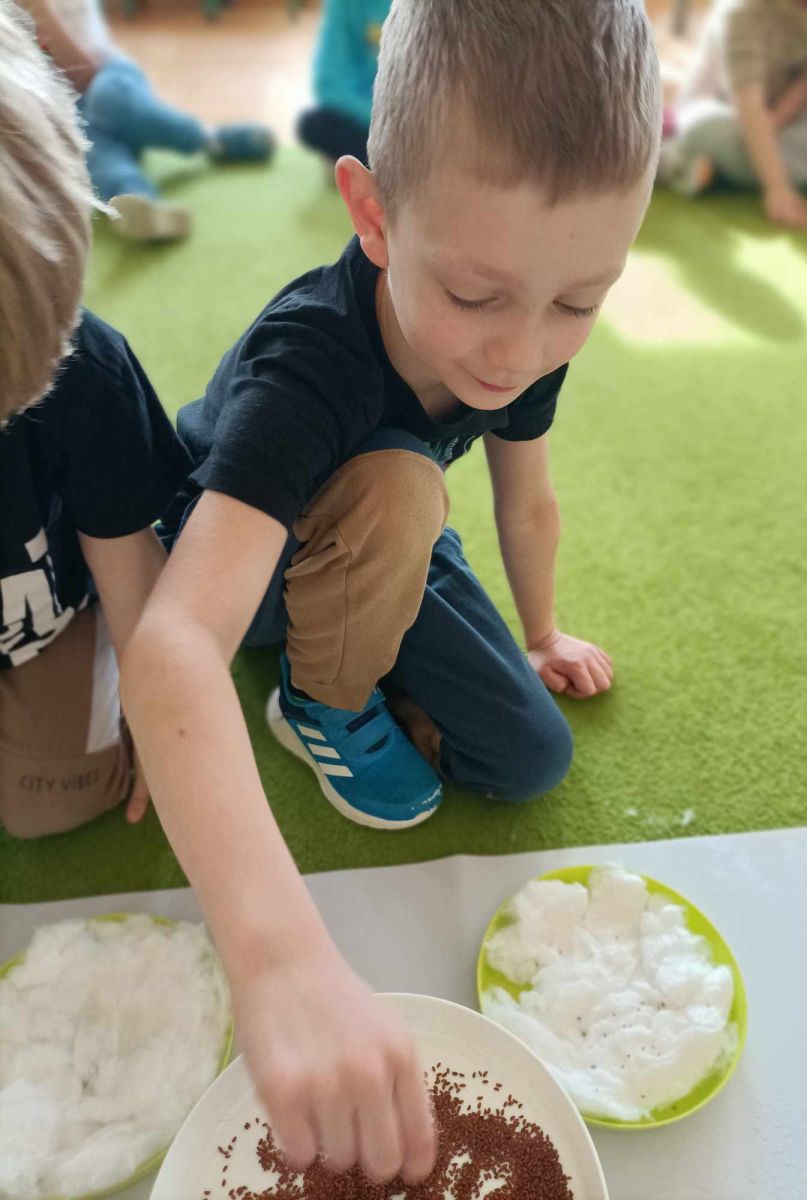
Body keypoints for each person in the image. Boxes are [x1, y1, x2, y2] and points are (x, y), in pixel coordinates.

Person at [121, 0, 660, 1184]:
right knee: (404, 492)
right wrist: (281, 962)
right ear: (373, 214)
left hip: (384, 524)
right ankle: (316, 701)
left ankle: (367, 632)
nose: (518, 351)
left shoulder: (519, 329)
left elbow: (527, 498)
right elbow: (175, 642)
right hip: (246, 559)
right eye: (475, 296)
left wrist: (539, 633)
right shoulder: (308, 362)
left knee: (529, 756)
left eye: (579, 302)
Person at [0, 1, 190, 839]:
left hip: (47, 618)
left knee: (51, 806)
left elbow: (130, 567)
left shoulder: (86, 370)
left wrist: (160, 713)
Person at [21, 0, 275, 241]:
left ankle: (209, 139)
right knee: (89, 143)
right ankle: (137, 200)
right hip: (69, 107)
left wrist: (39, 11)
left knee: (105, 101)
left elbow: (84, 73)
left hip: (106, 75)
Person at [658, 0, 807, 228]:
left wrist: (772, 126)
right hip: (725, 112)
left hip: (779, 119)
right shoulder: (741, 10)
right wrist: (778, 188)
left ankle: (718, 171)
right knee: (703, 131)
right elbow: (748, 103)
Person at [296, 0, 390, 168]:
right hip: (367, 116)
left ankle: (362, 164)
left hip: (411, 119)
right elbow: (328, 82)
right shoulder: (342, 4)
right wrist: (380, 121)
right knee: (312, 125)